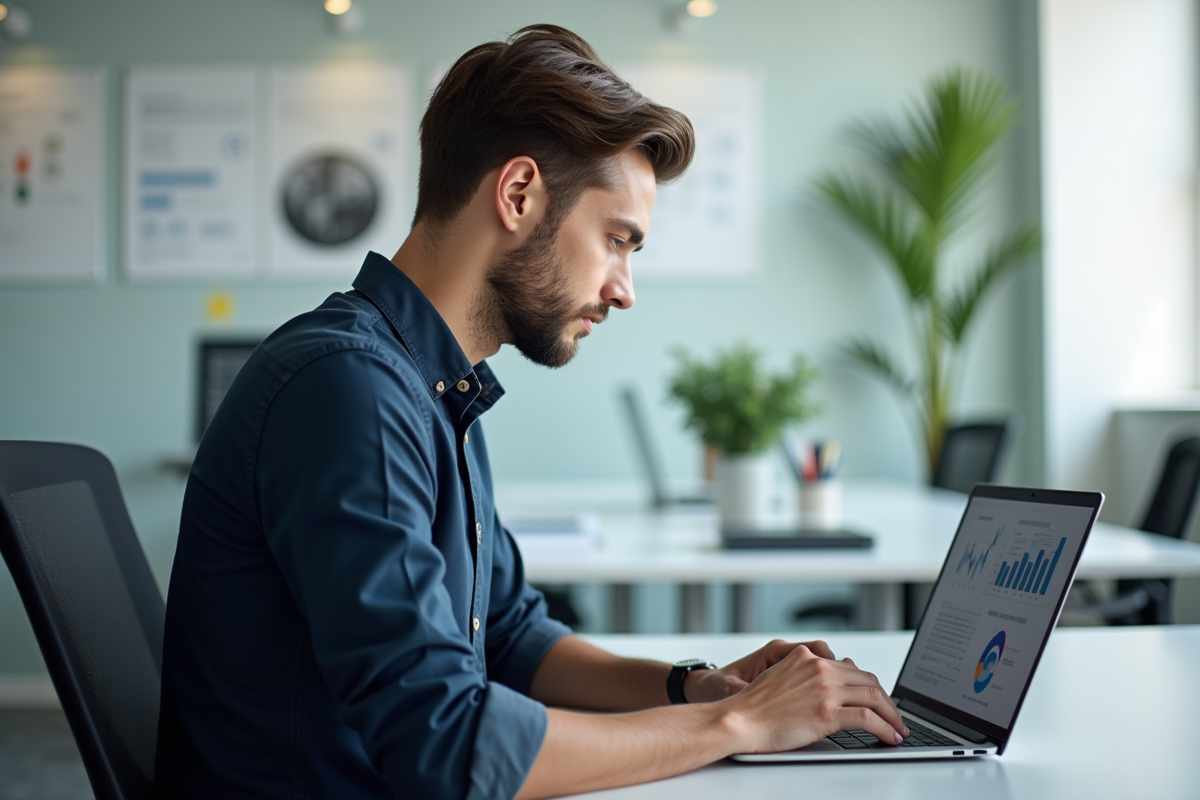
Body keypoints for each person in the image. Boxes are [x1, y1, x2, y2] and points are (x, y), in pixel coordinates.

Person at [155, 24, 908, 800]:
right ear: (518, 194)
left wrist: (696, 689)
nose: (624, 289)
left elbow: (511, 636)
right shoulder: (349, 389)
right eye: (616, 240)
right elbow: (447, 743)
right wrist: (740, 724)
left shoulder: (434, 387)